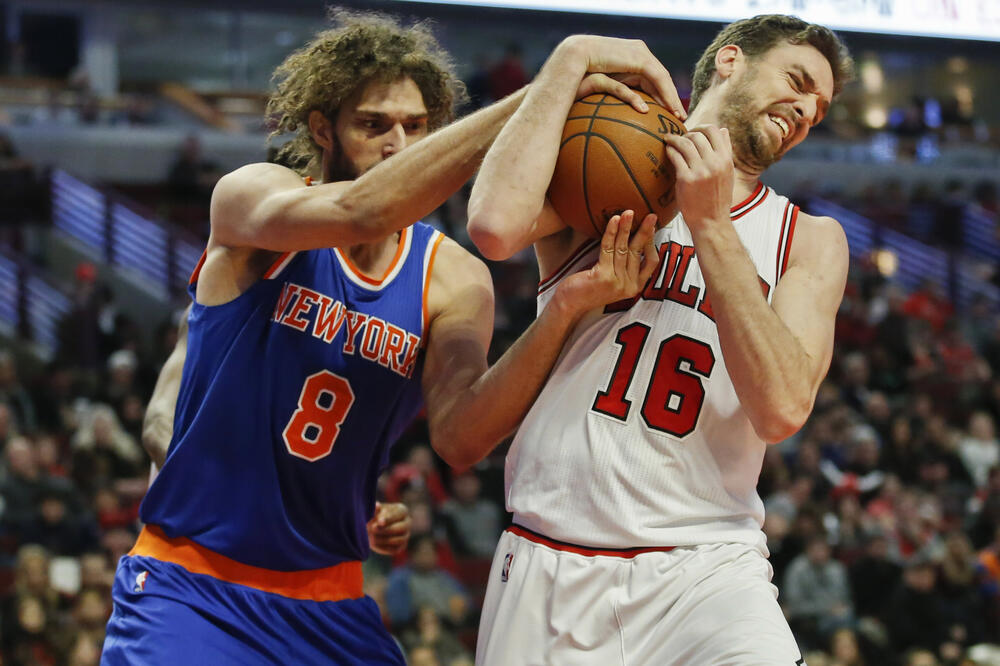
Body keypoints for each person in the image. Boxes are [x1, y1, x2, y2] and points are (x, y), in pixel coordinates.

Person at [102, 9, 674, 665]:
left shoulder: (451, 276)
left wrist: (565, 308)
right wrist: (553, 80)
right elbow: (363, 208)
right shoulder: (254, 200)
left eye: (416, 126)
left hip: (329, 597)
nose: (399, 142)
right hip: (193, 587)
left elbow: (461, 437)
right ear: (324, 129)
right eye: (374, 125)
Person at [468, 14, 855, 664]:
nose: (806, 110)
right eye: (797, 81)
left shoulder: (808, 239)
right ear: (730, 61)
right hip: (554, 548)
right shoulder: (609, 164)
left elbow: (783, 408)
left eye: (818, 109)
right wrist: (567, 66)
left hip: (710, 567)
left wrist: (710, 223)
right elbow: (495, 228)